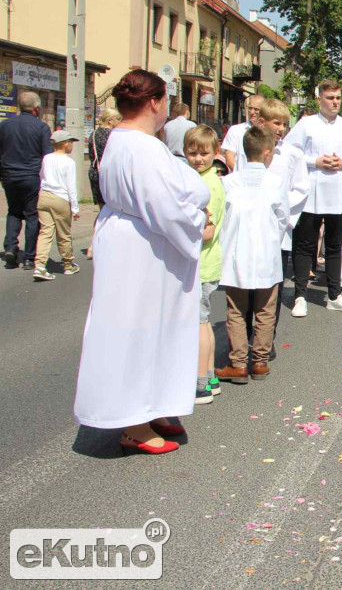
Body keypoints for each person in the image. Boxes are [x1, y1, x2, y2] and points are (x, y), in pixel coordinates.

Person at [74, 69, 210, 454]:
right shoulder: (143, 146)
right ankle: (133, 421)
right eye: (166, 100)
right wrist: (199, 221)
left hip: (137, 242)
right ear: (155, 102)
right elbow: (164, 206)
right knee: (138, 329)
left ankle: (155, 404)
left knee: (156, 327)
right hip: (144, 248)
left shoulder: (121, 138)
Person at [285, 80, 342, 317]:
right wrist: (315, 161)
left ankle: (334, 295)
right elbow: (290, 152)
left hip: (338, 192)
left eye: (338, 97)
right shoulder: (306, 124)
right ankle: (300, 295)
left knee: (333, 246)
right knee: (305, 245)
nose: (335, 102)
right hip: (310, 192)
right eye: (330, 97)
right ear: (319, 99)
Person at [216, 126, 288, 384]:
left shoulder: (228, 182)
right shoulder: (275, 182)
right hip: (266, 255)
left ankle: (238, 363)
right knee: (265, 310)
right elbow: (283, 219)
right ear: (267, 153)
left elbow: (221, 218)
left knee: (236, 310)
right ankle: (259, 362)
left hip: (236, 254)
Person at [261, 99, 310, 358]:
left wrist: (283, 213)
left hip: (279, 229)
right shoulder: (251, 148)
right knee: (250, 285)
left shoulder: (292, 154)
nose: (280, 128)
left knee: (274, 286)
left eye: (284, 124)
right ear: (262, 122)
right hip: (253, 228)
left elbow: (301, 188)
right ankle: (248, 334)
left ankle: (267, 339)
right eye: (275, 123)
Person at [183, 125, 224, 404]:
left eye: (204, 153)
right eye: (192, 153)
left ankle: (200, 385)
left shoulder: (205, 186)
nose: (198, 158)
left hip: (202, 261)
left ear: (216, 153)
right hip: (209, 263)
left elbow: (206, 230)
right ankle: (209, 375)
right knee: (204, 322)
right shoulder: (211, 179)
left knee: (198, 324)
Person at [1, 90, 52, 270]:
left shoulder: (5, 125)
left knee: (14, 212)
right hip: (32, 176)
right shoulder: (41, 127)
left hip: (9, 176)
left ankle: (11, 248)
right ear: (36, 109)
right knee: (32, 215)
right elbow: (48, 156)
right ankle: (30, 257)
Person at [33, 130, 81, 281]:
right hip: (61, 198)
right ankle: (68, 264)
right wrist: (75, 208)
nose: (72, 145)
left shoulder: (47, 158)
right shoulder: (69, 162)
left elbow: (41, 175)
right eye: (71, 142)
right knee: (63, 233)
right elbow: (71, 187)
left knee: (45, 232)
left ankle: (40, 265)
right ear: (65, 144)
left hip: (44, 196)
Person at [85, 107, 121, 259]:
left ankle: (93, 245)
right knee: (109, 212)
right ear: (109, 120)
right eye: (118, 119)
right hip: (108, 175)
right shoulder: (112, 135)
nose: (119, 122)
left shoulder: (94, 134)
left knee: (103, 210)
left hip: (94, 173)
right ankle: (96, 245)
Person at [221, 94, 265, 171]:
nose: (252, 112)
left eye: (256, 109)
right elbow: (230, 159)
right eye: (250, 108)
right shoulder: (235, 130)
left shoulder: (267, 132)